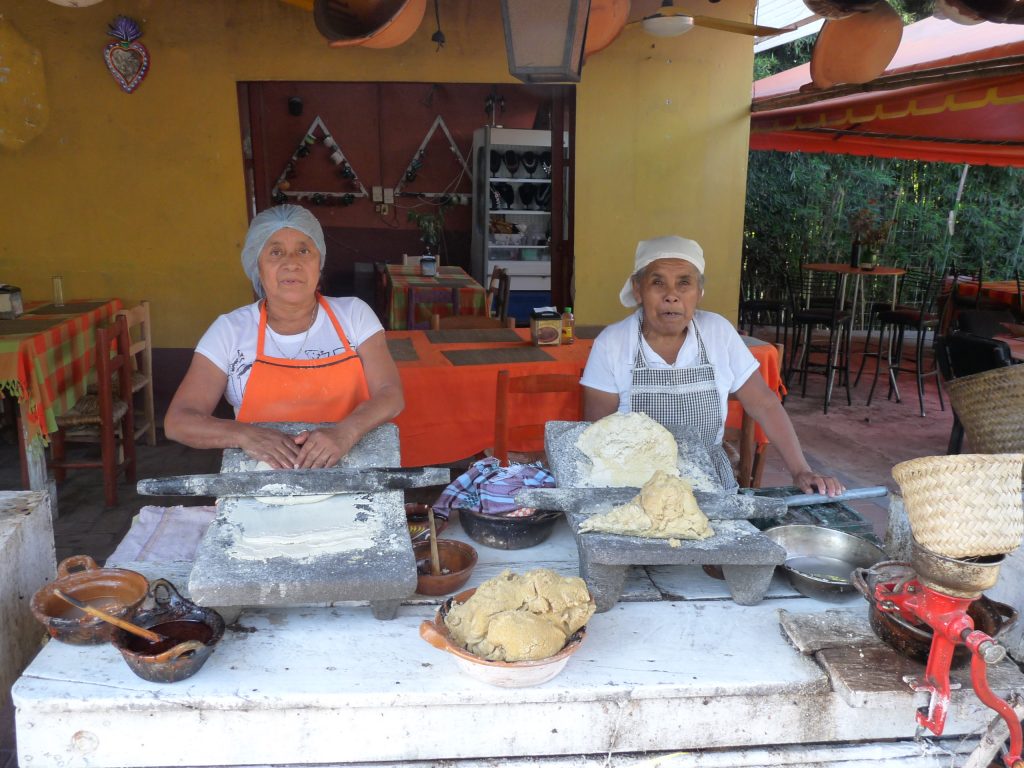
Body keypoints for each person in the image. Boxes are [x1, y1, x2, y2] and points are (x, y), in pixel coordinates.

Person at [581, 235, 843, 496]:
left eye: (684, 283)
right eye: (657, 282)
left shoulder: (718, 333)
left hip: (708, 484)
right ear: (638, 290)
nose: (671, 295)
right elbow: (598, 432)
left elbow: (764, 403)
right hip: (636, 486)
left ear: (699, 292)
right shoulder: (612, 343)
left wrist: (801, 470)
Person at [164, 205, 404, 469]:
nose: (292, 262)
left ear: (318, 262)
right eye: (275, 252)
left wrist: (346, 431)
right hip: (262, 478)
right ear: (258, 265)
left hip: (352, 467)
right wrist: (245, 435)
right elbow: (179, 421)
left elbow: (390, 394)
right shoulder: (229, 330)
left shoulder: (354, 315)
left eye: (304, 250)